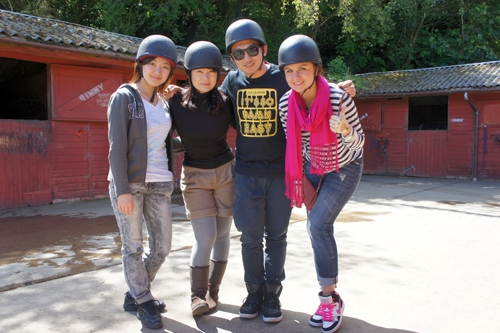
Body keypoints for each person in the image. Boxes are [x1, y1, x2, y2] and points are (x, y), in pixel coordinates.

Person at [220, 19, 357, 323]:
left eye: (252, 50)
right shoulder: (231, 82)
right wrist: (178, 96)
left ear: (264, 49)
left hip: (283, 170)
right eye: (238, 53)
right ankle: (253, 292)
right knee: (249, 237)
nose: (246, 57)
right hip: (245, 171)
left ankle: (272, 294)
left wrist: (340, 88)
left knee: (277, 236)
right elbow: (211, 106)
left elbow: (310, 82)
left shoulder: (282, 76)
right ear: (232, 59)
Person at [277, 34, 364, 333]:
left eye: (302, 68)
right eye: (289, 70)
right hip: (312, 167)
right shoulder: (286, 105)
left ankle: (329, 300)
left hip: (344, 165)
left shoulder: (340, 99)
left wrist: (346, 129)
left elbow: (359, 143)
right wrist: (304, 180)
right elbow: (295, 146)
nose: (295, 76)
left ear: (316, 69)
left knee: (317, 226)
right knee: (315, 226)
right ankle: (331, 297)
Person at [107, 34, 178, 330]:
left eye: (165, 66)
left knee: (162, 247)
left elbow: (164, 140)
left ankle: (137, 293)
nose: (158, 71)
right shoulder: (123, 96)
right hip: (131, 185)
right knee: (133, 246)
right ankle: (143, 299)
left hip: (161, 183)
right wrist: (122, 190)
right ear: (141, 64)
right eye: (152, 64)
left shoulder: (163, 101)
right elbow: (116, 147)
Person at [167, 41, 236, 316]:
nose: (205, 78)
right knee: (205, 236)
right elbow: (159, 132)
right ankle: (197, 296)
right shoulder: (174, 102)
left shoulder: (226, 103)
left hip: (226, 173)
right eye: (199, 72)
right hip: (194, 175)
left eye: (211, 72)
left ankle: (213, 291)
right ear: (189, 73)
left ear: (218, 75)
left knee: (222, 235)